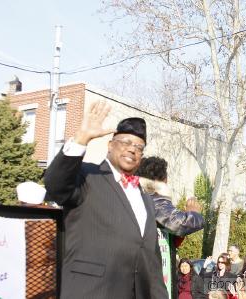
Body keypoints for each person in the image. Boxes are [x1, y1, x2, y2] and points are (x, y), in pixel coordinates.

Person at [44, 101, 167, 298]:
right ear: (110, 145)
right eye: (126, 142)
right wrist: (81, 138)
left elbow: (152, 262)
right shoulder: (88, 175)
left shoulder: (145, 198)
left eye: (139, 147)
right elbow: (55, 184)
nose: (132, 149)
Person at [136, 156, 204, 236]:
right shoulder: (153, 201)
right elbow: (180, 224)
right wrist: (193, 213)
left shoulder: (140, 198)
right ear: (163, 179)